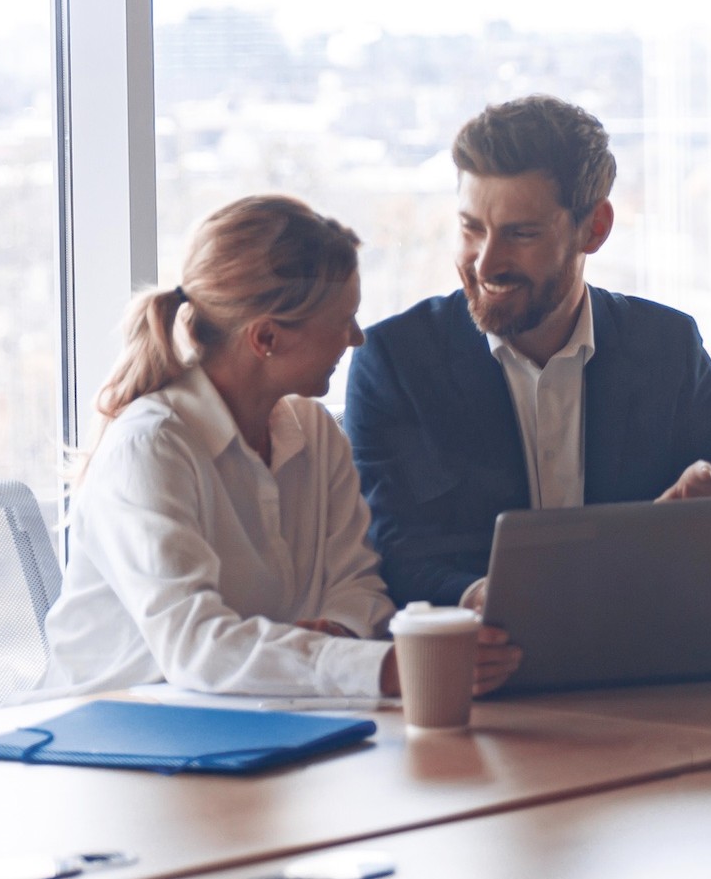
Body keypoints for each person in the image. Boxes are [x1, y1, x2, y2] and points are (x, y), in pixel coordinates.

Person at [42, 194, 523, 699]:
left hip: (250, 722)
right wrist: (382, 668)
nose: (357, 338)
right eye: (343, 320)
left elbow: (360, 586)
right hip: (106, 737)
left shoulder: (314, 433)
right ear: (267, 338)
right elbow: (195, 645)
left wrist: (337, 638)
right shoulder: (150, 447)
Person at [348, 94, 711, 609]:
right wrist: (487, 597)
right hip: (481, 664)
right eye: (472, 228)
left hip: (646, 652)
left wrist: (710, 502)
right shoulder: (395, 362)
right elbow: (392, 550)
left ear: (594, 229)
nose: (486, 263)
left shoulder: (668, 347)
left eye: (521, 234)